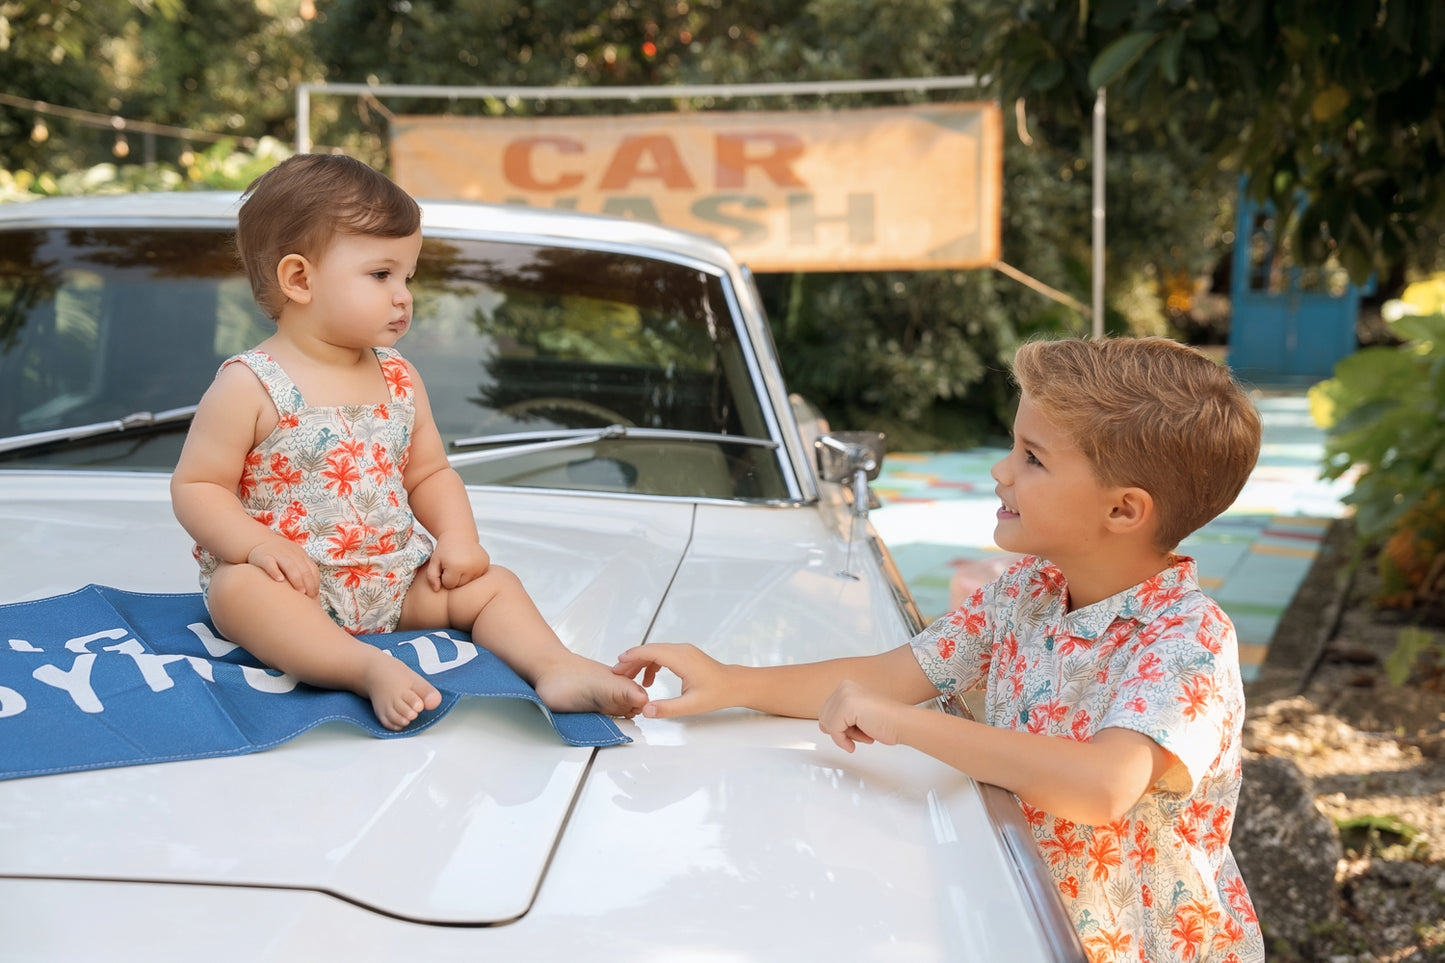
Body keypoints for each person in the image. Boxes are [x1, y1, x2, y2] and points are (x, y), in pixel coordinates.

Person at [615, 336, 1266, 962]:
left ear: (1123, 511)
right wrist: (733, 682)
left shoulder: (1187, 640)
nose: (1000, 469)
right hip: (1021, 910)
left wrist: (905, 725)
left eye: (1031, 458)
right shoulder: (1027, 591)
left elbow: (1100, 786)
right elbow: (893, 674)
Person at [171, 153, 647, 732]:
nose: (403, 296)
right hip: (292, 583)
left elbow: (428, 474)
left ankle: (554, 665)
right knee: (236, 592)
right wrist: (253, 546)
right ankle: (362, 668)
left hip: (394, 579)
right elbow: (198, 486)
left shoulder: (398, 377)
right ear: (299, 279)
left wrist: (457, 536)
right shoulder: (249, 383)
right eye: (381, 275)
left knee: (493, 585)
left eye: (408, 277)